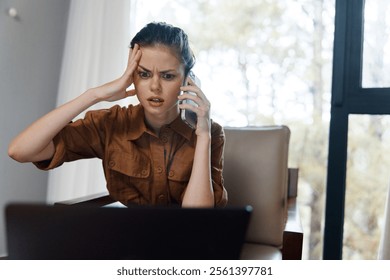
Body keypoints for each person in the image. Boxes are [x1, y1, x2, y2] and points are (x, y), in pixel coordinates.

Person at [8, 22, 227, 208]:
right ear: (132, 75)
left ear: (187, 80)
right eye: (143, 74)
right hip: (129, 245)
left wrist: (204, 136)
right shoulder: (111, 124)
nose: (154, 87)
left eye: (168, 76)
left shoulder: (210, 133)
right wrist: (93, 95)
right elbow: (20, 151)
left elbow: (196, 218)